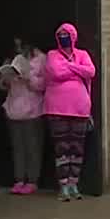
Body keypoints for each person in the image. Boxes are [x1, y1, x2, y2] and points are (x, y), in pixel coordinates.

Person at [44, 23, 96, 201]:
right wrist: (76, 69)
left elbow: (91, 72)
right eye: (61, 34)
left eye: (67, 34)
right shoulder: (52, 55)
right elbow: (56, 72)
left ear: (74, 36)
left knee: (77, 148)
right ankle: (63, 185)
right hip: (57, 109)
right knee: (61, 148)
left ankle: (74, 184)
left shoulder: (83, 54)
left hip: (80, 109)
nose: (64, 37)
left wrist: (70, 66)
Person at [0, 37, 47, 194]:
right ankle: (19, 179)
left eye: (21, 44)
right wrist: (6, 80)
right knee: (18, 147)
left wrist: (28, 78)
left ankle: (32, 180)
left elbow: (43, 85)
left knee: (32, 147)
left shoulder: (40, 59)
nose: (18, 47)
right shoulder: (10, 59)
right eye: (15, 45)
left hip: (33, 110)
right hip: (13, 109)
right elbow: (2, 85)